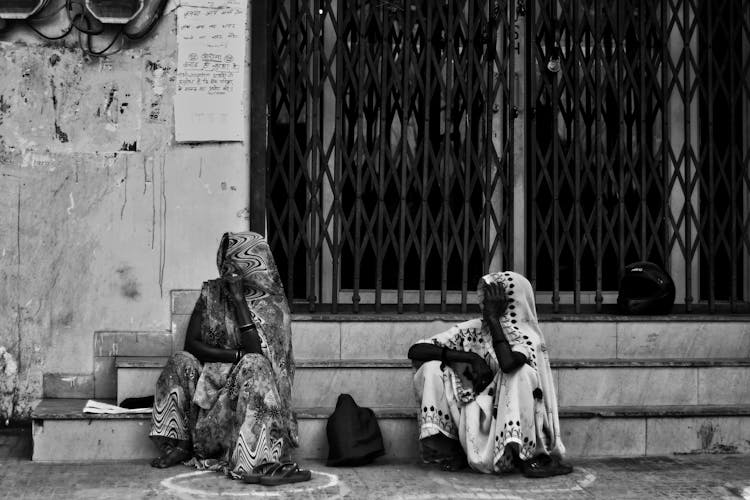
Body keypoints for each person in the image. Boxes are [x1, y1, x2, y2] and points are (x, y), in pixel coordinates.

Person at [149, 231, 308, 484]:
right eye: (225, 261)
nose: (227, 268)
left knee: (253, 364)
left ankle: (252, 456)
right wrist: (233, 355)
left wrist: (238, 301)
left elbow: (256, 354)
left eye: (236, 262)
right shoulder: (211, 293)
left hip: (246, 391)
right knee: (180, 360)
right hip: (210, 386)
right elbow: (192, 343)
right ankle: (181, 444)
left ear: (254, 264)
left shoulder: (273, 304)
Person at [408, 271, 572, 477]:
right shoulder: (475, 329)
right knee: (431, 368)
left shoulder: (527, 338)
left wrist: (494, 319)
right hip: (473, 413)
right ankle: (454, 450)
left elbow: (509, 364)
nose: (485, 303)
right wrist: (468, 358)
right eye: (486, 298)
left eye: (493, 298)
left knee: (521, 373)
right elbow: (416, 350)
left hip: (504, 416)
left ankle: (529, 457)